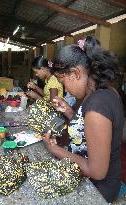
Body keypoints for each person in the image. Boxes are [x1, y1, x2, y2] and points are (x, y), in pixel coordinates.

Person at [42, 36, 124, 203]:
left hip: (98, 190)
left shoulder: (97, 106)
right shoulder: (101, 91)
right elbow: (90, 129)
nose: (64, 88)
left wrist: (56, 150)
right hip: (97, 178)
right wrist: (69, 112)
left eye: (63, 81)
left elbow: (97, 171)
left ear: (75, 73)